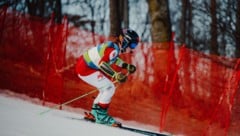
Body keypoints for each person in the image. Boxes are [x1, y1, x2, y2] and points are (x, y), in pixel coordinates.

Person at [75, 28, 139, 127]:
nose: (132, 48)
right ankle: (101, 116)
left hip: (84, 66)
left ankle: (95, 114)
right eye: (132, 44)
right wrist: (115, 75)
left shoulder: (114, 47)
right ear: (125, 40)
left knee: (105, 88)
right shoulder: (113, 49)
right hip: (86, 68)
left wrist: (126, 66)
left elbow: (113, 59)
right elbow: (102, 63)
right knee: (109, 88)